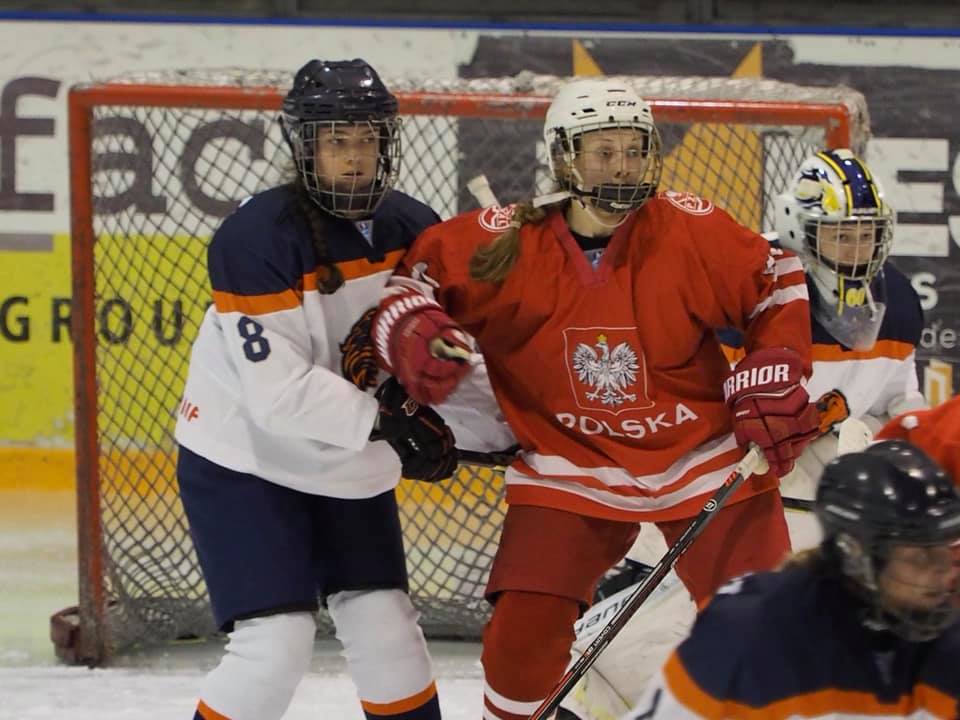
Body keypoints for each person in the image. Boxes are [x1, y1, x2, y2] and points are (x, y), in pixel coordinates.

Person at [370, 76, 820, 718]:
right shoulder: (505, 240)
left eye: (634, 151)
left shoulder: (688, 227)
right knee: (519, 643)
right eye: (602, 152)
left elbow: (776, 278)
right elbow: (412, 287)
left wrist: (773, 367)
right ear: (563, 158)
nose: (622, 167)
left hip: (703, 456)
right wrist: (415, 332)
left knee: (770, 629)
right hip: (570, 463)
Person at [560, 148, 931, 720]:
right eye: (839, 236)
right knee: (664, 630)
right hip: (712, 483)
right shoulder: (747, 286)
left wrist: (848, 428)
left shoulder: (898, 303)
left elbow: (897, 403)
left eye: (865, 236)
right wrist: (744, 423)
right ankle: (591, 680)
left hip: (807, 503)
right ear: (797, 231)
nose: (856, 252)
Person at [174, 58, 455, 720]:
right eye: (336, 141)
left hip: (347, 458)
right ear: (303, 146)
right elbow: (277, 395)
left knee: (387, 623)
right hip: (245, 454)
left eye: (366, 140)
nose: (355, 158)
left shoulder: (416, 229)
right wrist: (391, 425)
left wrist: (462, 430)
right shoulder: (253, 239)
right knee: (276, 641)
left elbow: (440, 351)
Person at [627, 439, 960, 719]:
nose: (944, 570)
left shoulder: (945, 633)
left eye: (946, 549)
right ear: (856, 553)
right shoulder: (746, 635)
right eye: (920, 556)